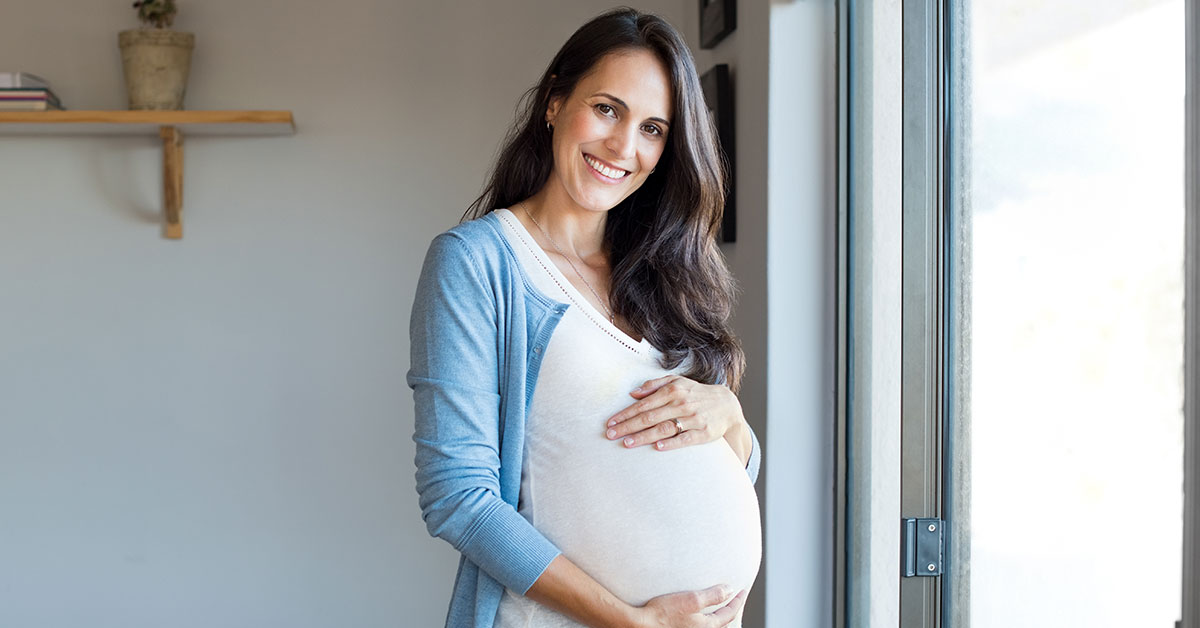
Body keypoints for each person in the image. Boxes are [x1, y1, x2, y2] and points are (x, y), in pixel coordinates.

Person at [409, 8, 762, 628]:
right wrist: (635, 620)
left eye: (654, 128)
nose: (624, 147)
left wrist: (731, 418)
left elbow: (727, 462)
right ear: (554, 101)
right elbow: (458, 499)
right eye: (607, 109)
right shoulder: (480, 263)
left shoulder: (664, 272)